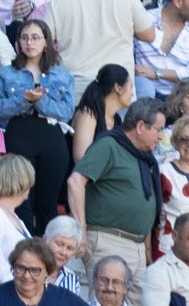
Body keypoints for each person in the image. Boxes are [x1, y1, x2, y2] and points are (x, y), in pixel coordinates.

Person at [68, 97, 165, 303]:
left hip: (137, 247)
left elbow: (145, 200)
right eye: (158, 129)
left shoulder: (144, 157)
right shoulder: (109, 145)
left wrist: (146, 249)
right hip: (108, 240)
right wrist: (81, 231)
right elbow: (75, 181)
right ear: (140, 126)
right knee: (107, 301)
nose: (161, 136)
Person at [0, 20, 73, 234]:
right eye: (24, 38)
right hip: (20, 133)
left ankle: (46, 256)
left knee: (47, 202)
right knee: (21, 198)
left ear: (46, 42)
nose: (29, 42)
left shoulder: (61, 74)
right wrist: (25, 101)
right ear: (18, 42)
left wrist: (40, 101)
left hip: (51, 135)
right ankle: (23, 248)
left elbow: (67, 111)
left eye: (35, 37)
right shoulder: (6, 73)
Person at [50, 0, 155, 97]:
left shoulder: (58, 1)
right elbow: (149, 35)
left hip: (76, 91)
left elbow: (43, 39)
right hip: (119, 91)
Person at [0, 238, 86, 306]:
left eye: (34, 270)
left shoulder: (64, 299)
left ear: (47, 272)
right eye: (21, 268)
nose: (26, 276)